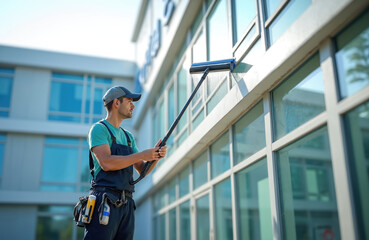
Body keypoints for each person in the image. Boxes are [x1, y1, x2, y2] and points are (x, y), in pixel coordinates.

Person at [84, 86, 167, 240]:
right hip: (104, 201)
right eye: (129, 101)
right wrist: (142, 154)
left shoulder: (128, 137)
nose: (133, 106)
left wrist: (155, 156)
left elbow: (142, 169)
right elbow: (106, 163)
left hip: (127, 204)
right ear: (116, 103)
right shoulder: (98, 130)